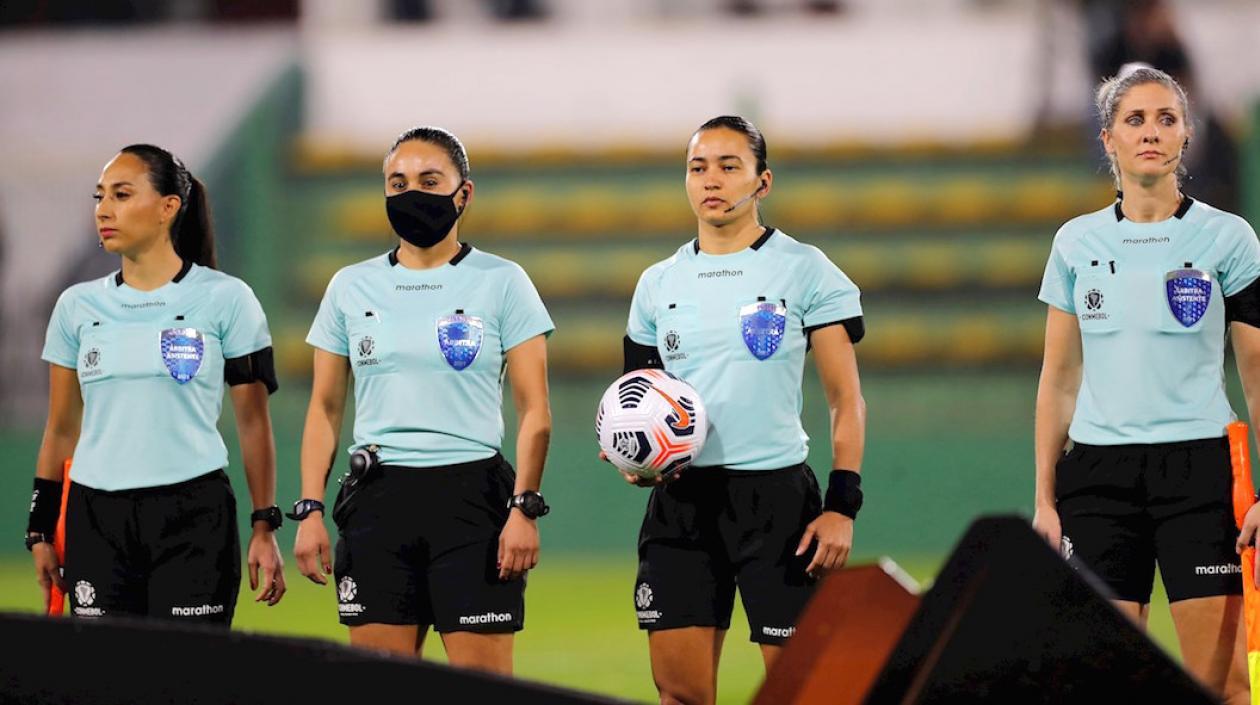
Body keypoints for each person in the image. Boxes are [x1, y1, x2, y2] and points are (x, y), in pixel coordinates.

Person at [620, 116, 866, 705]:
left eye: (730, 167)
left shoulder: (805, 269)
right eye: (698, 167)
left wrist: (842, 505)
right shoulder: (657, 284)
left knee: (802, 693)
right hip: (681, 503)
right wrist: (633, 457)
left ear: (763, 181)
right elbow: (635, 397)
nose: (712, 180)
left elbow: (845, 400)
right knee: (680, 695)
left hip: (776, 502)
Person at [1034, 66, 1260, 704]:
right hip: (1098, 480)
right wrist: (1045, 500)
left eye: (1167, 119)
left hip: (1200, 475)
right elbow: (1059, 379)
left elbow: (1256, 373)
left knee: (1224, 684)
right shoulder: (1075, 242)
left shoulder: (1229, 238)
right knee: (1102, 680)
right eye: (1134, 120)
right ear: (1108, 138)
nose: (1151, 132)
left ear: (1187, 134)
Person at [292, 126, 554, 675]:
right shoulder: (350, 286)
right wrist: (310, 507)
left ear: (464, 193)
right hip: (377, 501)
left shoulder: (503, 281)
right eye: (398, 182)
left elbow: (535, 411)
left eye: (429, 181)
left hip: (473, 499)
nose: (412, 193)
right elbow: (324, 409)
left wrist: (524, 507)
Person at [28, 144, 285, 625]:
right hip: (96, 519)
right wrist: (40, 530)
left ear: (169, 207)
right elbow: (61, 428)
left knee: (186, 669)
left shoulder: (228, 299)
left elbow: (253, 423)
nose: (103, 209)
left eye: (122, 195)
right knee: (104, 670)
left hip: (193, 516)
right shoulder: (75, 307)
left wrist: (264, 525)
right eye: (100, 196)